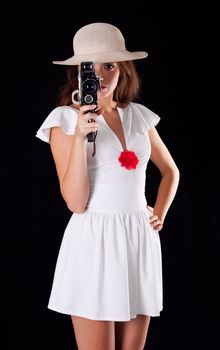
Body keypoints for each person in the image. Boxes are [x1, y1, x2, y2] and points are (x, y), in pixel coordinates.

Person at [36, 22, 180, 350]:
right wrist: (78, 140)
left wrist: (159, 213)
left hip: (139, 238)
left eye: (109, 65)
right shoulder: (65, 120)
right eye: (91, 67)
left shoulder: (139, 116)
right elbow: (75, 202)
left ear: (123, 68)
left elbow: (171, 172)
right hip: (95, 240)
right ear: (78, 72)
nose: (100, 75)